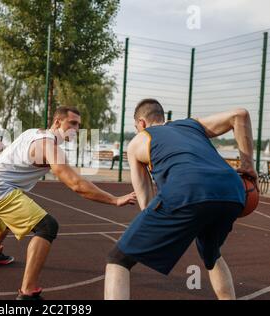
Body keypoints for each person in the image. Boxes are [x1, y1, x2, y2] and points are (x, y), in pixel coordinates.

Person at [0, 106, 136, 300]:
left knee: (7, 218)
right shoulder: (48, 147)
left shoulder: (34, 133)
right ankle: (28, 293)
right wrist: (115, 199)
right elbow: (77, 185)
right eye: (72, 123)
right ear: (58, 122)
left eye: (78, 125)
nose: (76, 129)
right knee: (47, 226)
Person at [104, 99, 257, 300]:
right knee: (211, 255)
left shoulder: (137, 143)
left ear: (141, 123)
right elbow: (240, 115)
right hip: (233, 189)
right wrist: (248, 166)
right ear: (163, 117)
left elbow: (146, 203)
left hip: (187, 187)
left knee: (118, 259)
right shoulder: (192, 124)